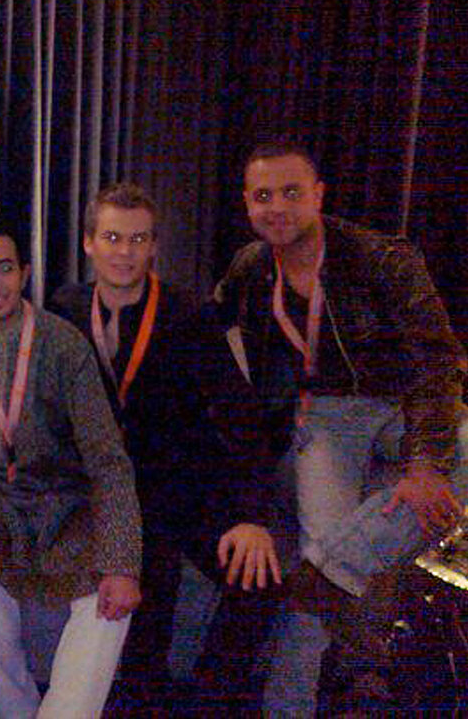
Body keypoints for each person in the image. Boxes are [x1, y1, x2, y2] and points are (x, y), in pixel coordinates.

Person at [214, 140, 468, 713]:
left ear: (318, 195)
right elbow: (208, 332)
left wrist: (426, 466)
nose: (277, 207)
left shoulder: (381, 259)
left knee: (337, 558)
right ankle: (293, 701)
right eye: (263, 196)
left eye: (291, 192)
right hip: (328, 415)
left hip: (404, 405)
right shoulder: (250, 268)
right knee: (327, 538)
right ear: (247, 203)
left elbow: (438, 359)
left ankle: (332, 573)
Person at [49, 183, 284, 712]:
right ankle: (141, 697)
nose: (125, 252)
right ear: (89, 242)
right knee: (146, 599)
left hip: (181, 487)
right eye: (112, 237)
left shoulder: (188, 314)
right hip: (106, 491)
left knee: (261, 579)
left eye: (138, 239)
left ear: (154, 245)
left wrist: (252, 517)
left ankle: (208, 700)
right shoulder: (65, 307)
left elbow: (242, 416)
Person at [0, 214, 142, 719]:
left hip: (65, 507)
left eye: (5, 268)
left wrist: (122, 562)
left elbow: (107, 459)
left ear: (25, 272)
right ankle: (16, 707)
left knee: (110, 594)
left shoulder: (64, 343)